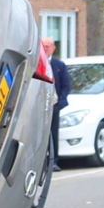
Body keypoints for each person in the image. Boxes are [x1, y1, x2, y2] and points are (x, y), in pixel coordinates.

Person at [44, 37, 72, 172]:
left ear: (53, 48)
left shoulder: (59, 65)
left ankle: (54, 161)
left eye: (47, 47)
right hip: (40, 105)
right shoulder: (37, 64)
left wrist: (60, 103)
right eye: (42, 47)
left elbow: (66, 85)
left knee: (53, 133)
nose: (44, 49)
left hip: (54, 104)